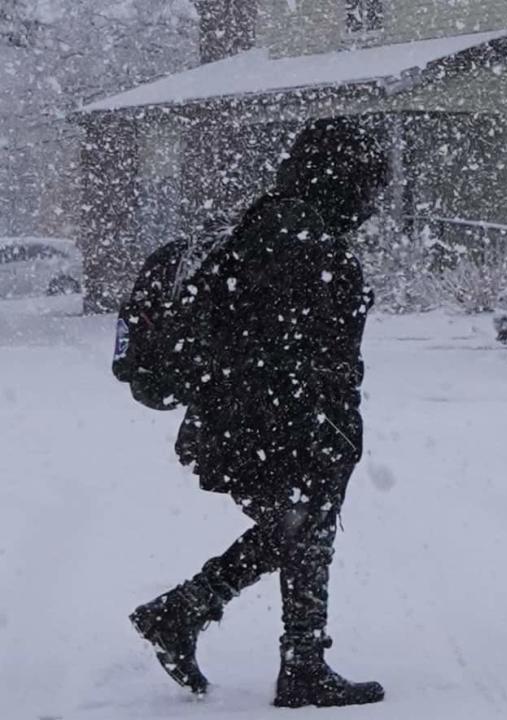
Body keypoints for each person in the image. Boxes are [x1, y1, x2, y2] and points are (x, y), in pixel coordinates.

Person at [129, 115, 388, 709]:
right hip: (275, 417)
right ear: (339, 178)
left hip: (267, 413)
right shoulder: (293, 233)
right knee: (301, 526)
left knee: (297, 528)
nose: (370, 206)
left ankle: (210, 622)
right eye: (365, 188)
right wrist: (315, 411)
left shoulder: (282, 221)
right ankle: (285, 658)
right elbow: (277, 341)